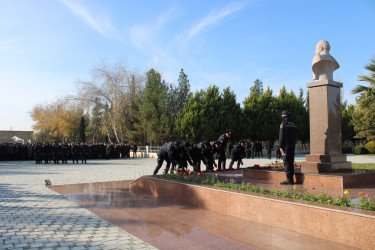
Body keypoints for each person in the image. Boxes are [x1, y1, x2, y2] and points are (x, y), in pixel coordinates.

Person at [279, 110, 297, 185]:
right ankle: (291, 179)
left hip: (285, 147)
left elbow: (281, 136)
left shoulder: (283, 124)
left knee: (286, 162)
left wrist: (280, 146)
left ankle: (289, 179)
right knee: (291, 162)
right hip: (292, 146)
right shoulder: (293, 124)